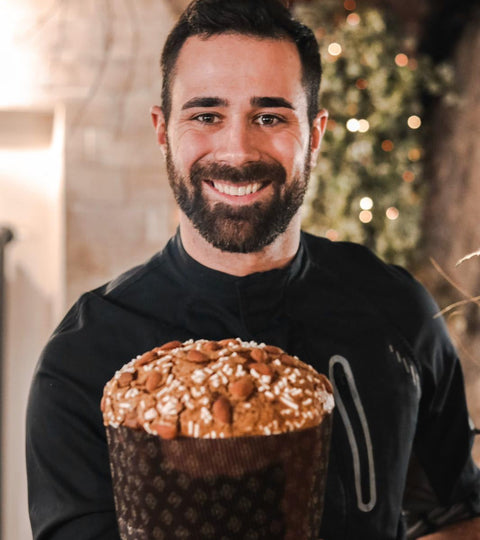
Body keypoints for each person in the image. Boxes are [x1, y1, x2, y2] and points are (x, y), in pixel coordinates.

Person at [26, 0, 480, 538]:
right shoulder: (84, 359)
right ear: (162, 130)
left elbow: (452, 515)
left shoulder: (398, 311)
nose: (237, 150)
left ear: (314, 133)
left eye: (270, 116)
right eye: (205, 115)